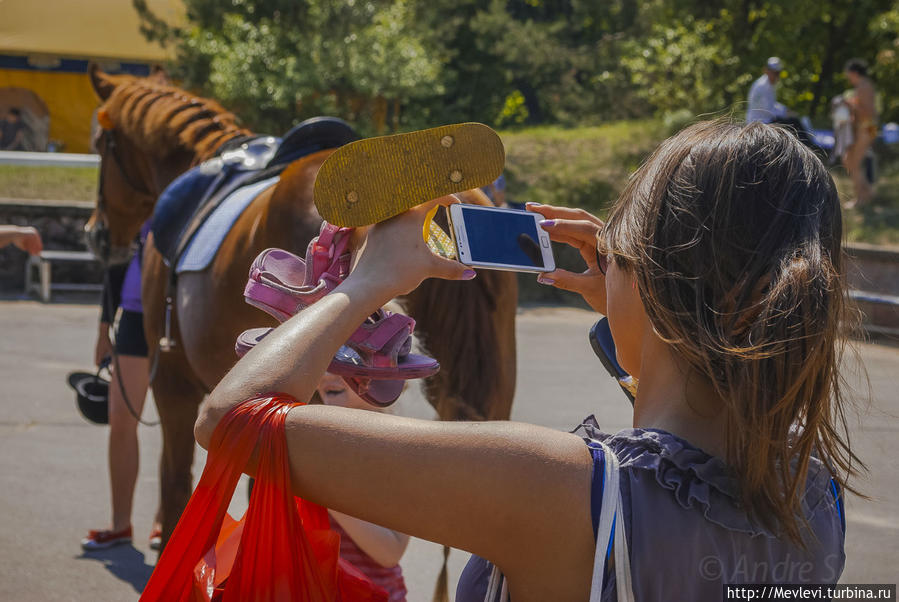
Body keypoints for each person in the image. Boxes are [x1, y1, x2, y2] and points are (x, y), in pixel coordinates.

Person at [195, 120, 852, 600]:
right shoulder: (813, 497)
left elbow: (230, 419)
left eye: (616, 252)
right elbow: (692, 446)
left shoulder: (555, 487)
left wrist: (363, 285)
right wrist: (635, 308)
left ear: (646, 285)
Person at [82, 221, 162, 551]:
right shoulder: (132, 207)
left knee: (178, 424)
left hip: (176, 315)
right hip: (133, 313)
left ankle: (165, 520)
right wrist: (104, 329)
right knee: (120, 420)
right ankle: (120, 524)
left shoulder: (191, 188)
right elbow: (113, 269)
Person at [316, 372, 410, 602]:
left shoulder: (397, 450)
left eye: (346, 362)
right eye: (323, 359)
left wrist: (327, 496)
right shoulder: (311, 437)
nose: (327, 374)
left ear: (387, 377)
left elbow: (390, 552)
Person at [746, 58, 820, 151]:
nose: (777, 76)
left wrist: (785, 110)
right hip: (760, 121)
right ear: (767, 71)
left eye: (778, 73)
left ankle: (807, 147)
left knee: (794, 121)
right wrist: (786, 113)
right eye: (775, 73)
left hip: (765, 119)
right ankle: (808, 148)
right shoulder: (761, 87)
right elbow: (766, 110)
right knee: (793, 123)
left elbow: (772, 104)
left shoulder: (768, 84)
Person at [841, 58, 878, 208]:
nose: (848, 78)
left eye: (849, 75)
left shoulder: (864, 87)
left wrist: (851, 105)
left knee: (853, 163)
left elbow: (869, 112)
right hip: (863, 128)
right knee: (848, 160)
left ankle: (861, 199)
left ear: (854, 73)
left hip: (868, 128)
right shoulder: (861, 86)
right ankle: (868, 193)